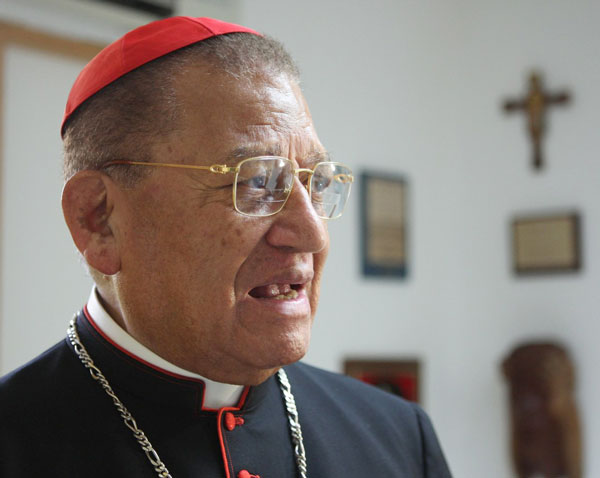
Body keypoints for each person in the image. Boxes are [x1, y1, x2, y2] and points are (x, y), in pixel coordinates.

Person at [0, 16, 452, 477]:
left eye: (315, 182)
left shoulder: (399, 438)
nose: (312, 234)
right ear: (99, 220)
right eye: (257, 182)